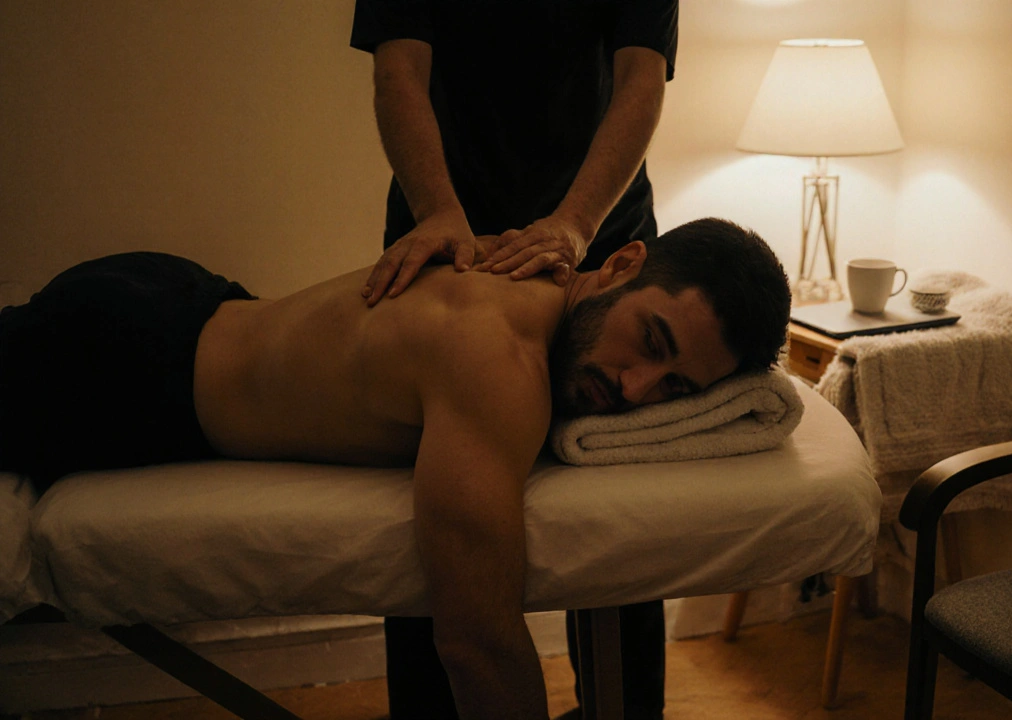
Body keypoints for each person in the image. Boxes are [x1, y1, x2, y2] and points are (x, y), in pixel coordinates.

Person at [0, 217, 791, 720]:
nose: (634, 391)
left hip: (185, 294)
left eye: (676, 389)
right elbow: (474, 639)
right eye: (651, 343)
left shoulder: (534, 270)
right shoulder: (499, 366)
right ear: (619, 265)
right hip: (124, 365)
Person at [349, 2, 679, 717]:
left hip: (598, 230)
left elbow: (641, 81)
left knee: (619, 509)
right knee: (444, 494)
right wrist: (439, 211)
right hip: (448, 234)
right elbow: (399, 69)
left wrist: (575, 224)